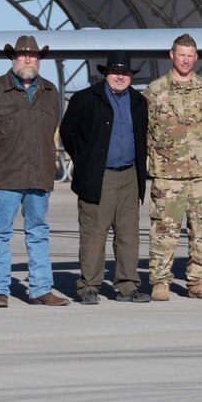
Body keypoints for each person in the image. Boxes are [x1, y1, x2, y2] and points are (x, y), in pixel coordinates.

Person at [0, 35, 64, 306]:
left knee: (38, 232)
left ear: (39, 61)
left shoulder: (50, 92)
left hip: (39, 174)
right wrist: (0, 155)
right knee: (0, 234)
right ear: (13, 59)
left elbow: (51, 129)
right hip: (5, 175)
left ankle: (41, 289)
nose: (28, 60)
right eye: (22, 56)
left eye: (33, 56)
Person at [60, 54, 149, 303]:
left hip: (130, 175)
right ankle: (89, 286)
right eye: (114, 72)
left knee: (128, 234)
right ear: (105, 74)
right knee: (94, 234)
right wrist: (87, 161)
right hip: (98, 176)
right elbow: (68, 133)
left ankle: (128, 286)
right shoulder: (85, 99)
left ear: (131, 76)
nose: (119, 76)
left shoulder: (139, 101)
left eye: (125, 73)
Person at [145, 33, 202, 301]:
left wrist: (201, 147)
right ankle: (160, 282)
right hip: (167, 174)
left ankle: (198, 282)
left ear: (196, 58)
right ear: (172, 55)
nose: (186, 60)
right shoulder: (155, 91)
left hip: (200, 173)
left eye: (191, 55)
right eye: (182, 54)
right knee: (164, 230)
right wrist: (162, 154)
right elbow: (144, 130)